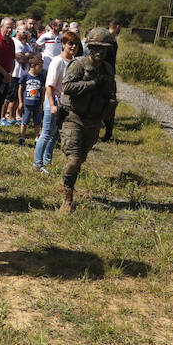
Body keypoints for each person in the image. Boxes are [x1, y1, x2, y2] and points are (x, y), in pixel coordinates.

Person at [58, 28, 118, 213]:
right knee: (74, 159)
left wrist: (109, 123)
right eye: (96, 47)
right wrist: (91, 84)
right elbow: (67, 86)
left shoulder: (108, 70)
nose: (100, 52)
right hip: (73, 118)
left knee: (80, 159)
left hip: (94, 120)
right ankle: (66, 199)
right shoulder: (78, 64)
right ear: (89, 47)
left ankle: (68, 183)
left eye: (104, 48)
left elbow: (111, 97)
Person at [34, 30, 80, 172]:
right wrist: (52, 105)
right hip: (53, 101)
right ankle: (37, 163)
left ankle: (47, 160)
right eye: (70, 43)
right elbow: (49, 86)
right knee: (46, 133)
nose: (73, 47)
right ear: (63, 44)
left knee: (55, 134)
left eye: (76, 44)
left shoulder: (74, 62)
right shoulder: (57, 61)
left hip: (64, 103)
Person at [101, 17, 123, 141]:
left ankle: (108, 134)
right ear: (116, 26)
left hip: (109, 74)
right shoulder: (106, 39)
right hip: (104, 75)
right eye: (120, 28)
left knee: (110, 103)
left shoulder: (112, 40)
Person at [18, 56, 45, 146]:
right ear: (33, 65)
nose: (41, 69)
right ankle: (22, 137)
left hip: (37, 103)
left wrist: (42, 103)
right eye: (40, 67)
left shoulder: (41, 77)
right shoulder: (25, 75)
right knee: (25, 121)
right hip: (27, 103)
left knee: (37, 122)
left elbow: (42, 90)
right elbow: (20, 89)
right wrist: (21, 102)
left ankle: (37, 138)